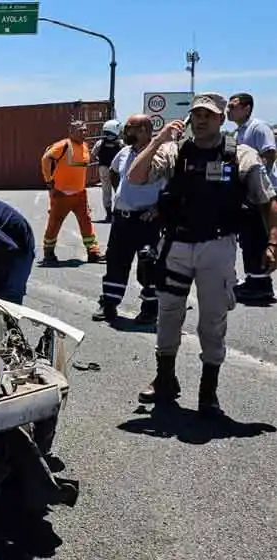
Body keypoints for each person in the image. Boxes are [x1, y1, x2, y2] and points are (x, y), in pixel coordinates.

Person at [128, 92, 277, 416]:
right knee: (168, 314)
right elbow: (135, 177)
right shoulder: (175, 150)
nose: (201, 119)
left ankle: (208, 392)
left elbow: (267, 200)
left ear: (221, 118)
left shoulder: (241, 155)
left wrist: (273, 242)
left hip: (217, 247)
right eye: (196, 114)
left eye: (208, 115)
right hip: (177, 245)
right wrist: (158, 140)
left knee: (212, 320)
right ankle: (165, 379)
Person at [92, 115, 164, 324]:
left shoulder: (161, 155)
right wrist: (122, 194)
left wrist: (159, 208)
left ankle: (150, 309)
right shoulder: (124, 152)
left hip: (147, 221)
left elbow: (173, 187)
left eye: (128, 128)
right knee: (115, 262)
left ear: (143, 130)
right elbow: (114, 172)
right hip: (122, 219)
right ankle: (109, 304)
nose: (124, 132)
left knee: (149, 265)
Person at [226, 92, 277, 303]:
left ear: (246, 108)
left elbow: (270, 153)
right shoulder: (239, 131)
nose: (228, 110)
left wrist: (255, 174)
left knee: (257, 238)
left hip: (261, 191)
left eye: (232, 106)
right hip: (247, 192)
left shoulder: (258, 127)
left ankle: (261, 285)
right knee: (248, 238)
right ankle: (253, 279)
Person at [40, 120, 105, 265]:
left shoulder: (85, 146)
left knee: (86, 222)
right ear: (71, 132)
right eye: (80, 130)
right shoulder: (63, 145)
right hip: (61, 193)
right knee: (54, 223)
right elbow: (46, 159)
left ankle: (93, 252)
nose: (84, 133)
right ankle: (48, 253)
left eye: (85, 130)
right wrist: (48, 180)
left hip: (80, 194)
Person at [91, 119, 125, 223]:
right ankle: (118, 213)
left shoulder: (100, 143)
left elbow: (92, 156)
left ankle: (109, 215)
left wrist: (100, 159)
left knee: (106, 192)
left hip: (104, 169)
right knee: (119, 191)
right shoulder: (121, 143)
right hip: (117, 170)